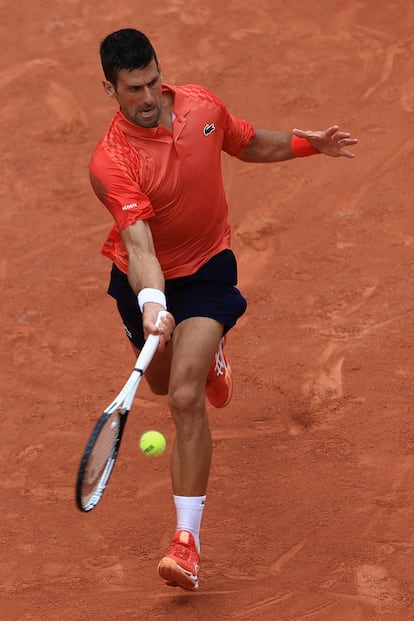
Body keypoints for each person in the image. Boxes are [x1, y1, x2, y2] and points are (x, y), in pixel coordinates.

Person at [89, 28, 358, 591]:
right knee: (161, 384)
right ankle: (205, 356)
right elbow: (138, 245)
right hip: (146, 283)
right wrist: (152, 303)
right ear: (110, 89)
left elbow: (245, 140)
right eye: (133, 88)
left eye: (153, 81)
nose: (147, 96)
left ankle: (186, 543)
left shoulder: (200, 106)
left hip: (209, 268)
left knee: (184, 398)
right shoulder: (111, 162)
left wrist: (310, 143)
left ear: (163, 73)